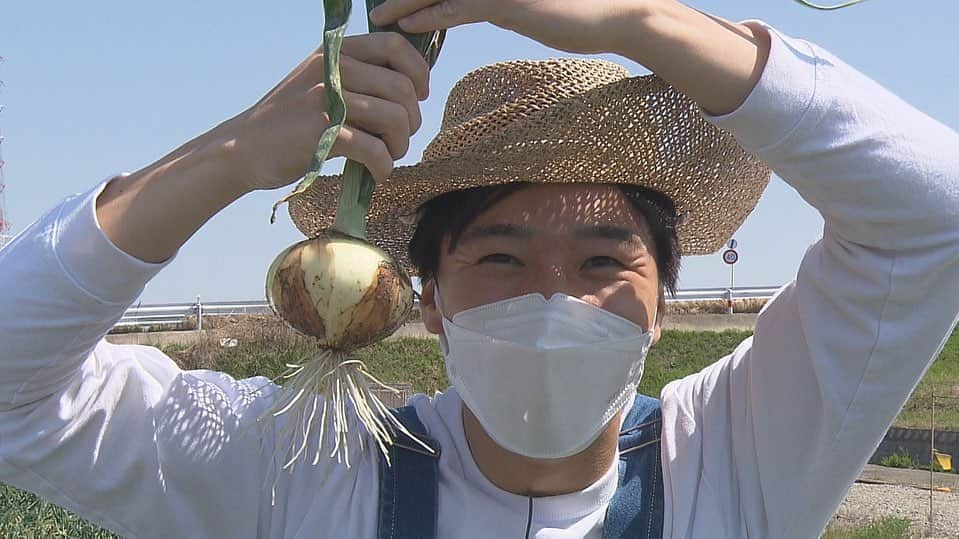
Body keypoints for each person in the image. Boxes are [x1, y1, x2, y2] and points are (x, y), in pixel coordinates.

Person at [2, 0, 958, 537]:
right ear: (430, 300)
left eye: (601, 257)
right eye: (499, 254)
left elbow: (933, 211)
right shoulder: (292, 470)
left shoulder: (741, 453)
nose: (554, 295)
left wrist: (641, 21)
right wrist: (227, 155)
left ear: (662, 298)